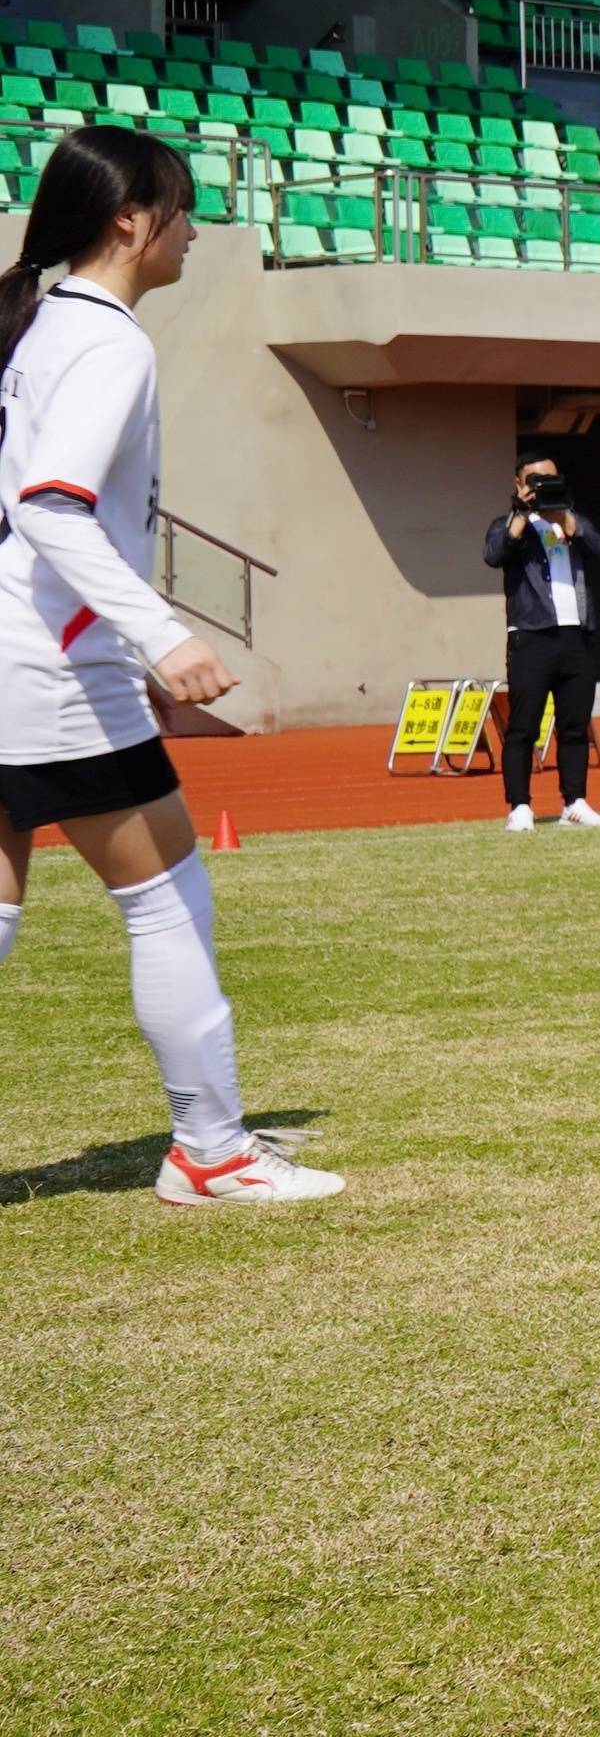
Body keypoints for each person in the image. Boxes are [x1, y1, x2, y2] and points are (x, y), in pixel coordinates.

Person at [0, 124, 342, 1204]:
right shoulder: (107, 341)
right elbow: (51, 502)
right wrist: (162, 634)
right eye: (182, 208)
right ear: (128, 221)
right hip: (53, 678)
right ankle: (212, 1149)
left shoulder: (40, 323)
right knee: (168, 898)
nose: (193, 229)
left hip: (15, 655)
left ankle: (215, 1144)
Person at [484, 456, 600, 831]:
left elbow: (599, 548)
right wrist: (521, 513)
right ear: (519, 483)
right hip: (531, 637)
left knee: (574, 725)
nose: (543, 485)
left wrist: (563, 518)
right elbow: (495, 554)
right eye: (535, 479)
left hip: (576, 636)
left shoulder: (572, 521)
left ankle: (575, 802)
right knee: (524, 727)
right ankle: (519, 807)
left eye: (551, 478)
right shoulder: (508, 525)